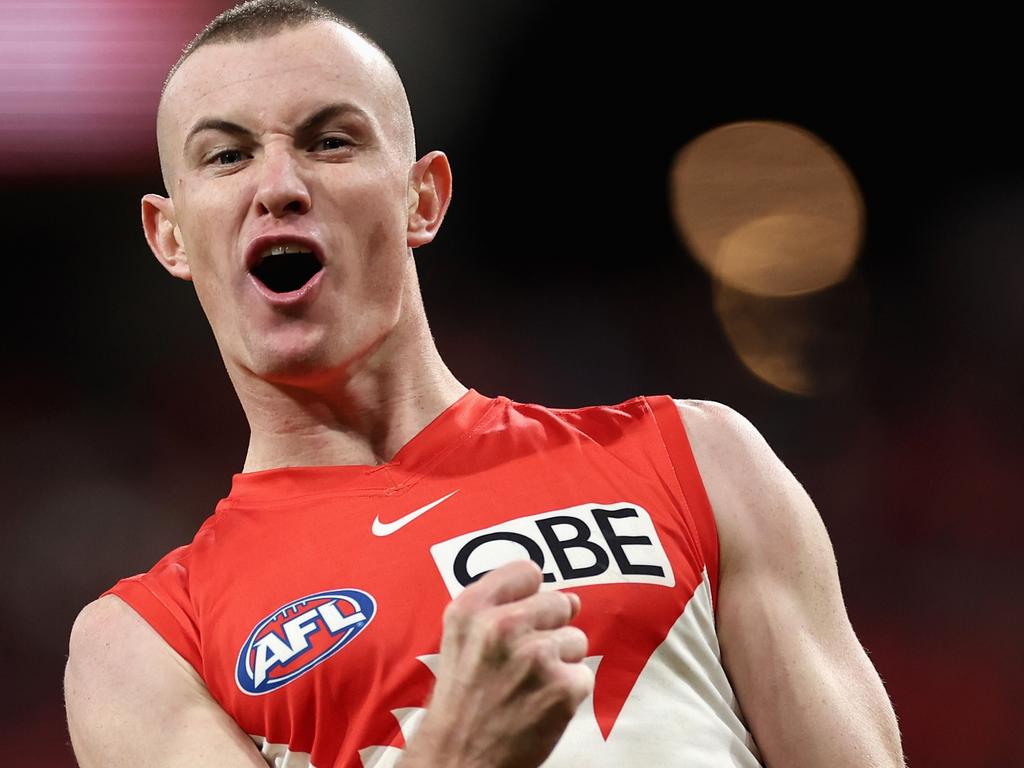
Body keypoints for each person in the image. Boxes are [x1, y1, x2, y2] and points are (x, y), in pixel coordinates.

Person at [63, 1, 906, 767]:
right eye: (227, 155)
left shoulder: (699, 461)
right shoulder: (147, 644)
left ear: (422, 199)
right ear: (170, 237)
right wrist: (459, 754)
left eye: (331, 141)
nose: (278, 187)